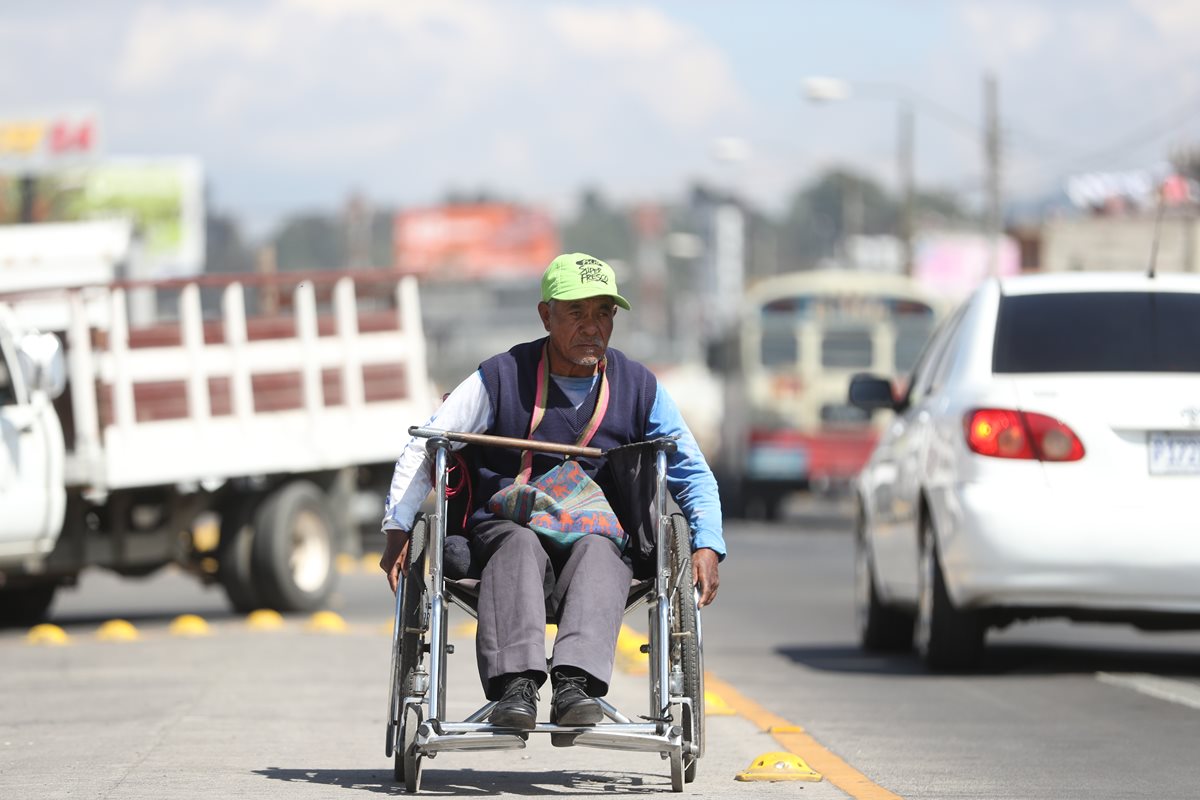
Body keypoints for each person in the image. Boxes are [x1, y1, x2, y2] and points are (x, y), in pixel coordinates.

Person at [379, 252, 724, 733]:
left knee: (603, 550)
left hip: (596, 535)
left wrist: (707, 541)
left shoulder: (639, 387)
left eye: (603, 312)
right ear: (546, 315)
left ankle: (575, 685)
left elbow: (689, 466)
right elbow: (428, 444)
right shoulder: (500, 377)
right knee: (519, 544)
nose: (592, 327)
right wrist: (398, 527)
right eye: (577, 313)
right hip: (509, 529)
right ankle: (515, 685)